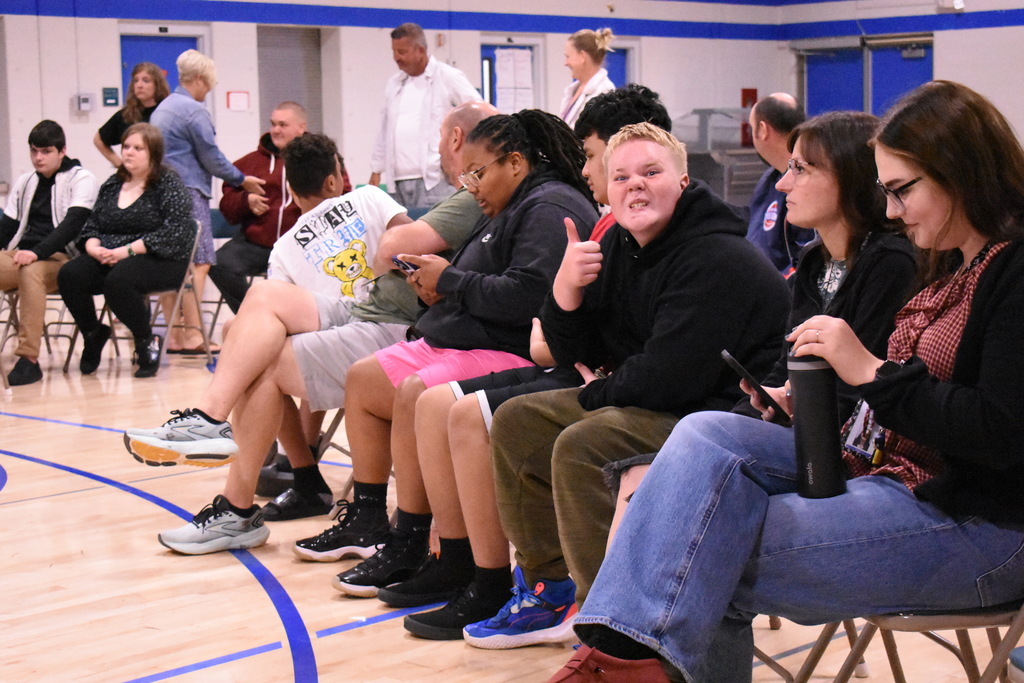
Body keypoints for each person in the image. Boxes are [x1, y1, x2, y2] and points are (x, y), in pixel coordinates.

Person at [545, 80, 1024, 683]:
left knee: (698, 549)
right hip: (885, 470)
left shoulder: (1004, 268)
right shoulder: (944, 257)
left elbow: (1000, 433)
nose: (894, 210)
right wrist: (806, 399)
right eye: (886, 192)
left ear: (961, 175)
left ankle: (616, 656)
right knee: (706, 435)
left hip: (982, 523)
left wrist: (870, 373)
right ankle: (618, 650)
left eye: (902, 191)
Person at [122, 103, 496, 553]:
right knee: (256, 318)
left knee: (253, 350)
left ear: (293, 193)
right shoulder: (371, 199)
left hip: (390, 323)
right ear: (336, 178)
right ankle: (214, 430)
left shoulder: (300, 238)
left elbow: (403, 248)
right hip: (355, 316)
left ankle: (239, 480)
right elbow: (397, 248)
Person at [484, 123, 790, 651]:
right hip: (660, 403)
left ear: (685, 180)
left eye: (651, 172)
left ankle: (614, 629)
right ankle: (549, 589)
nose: (634, 186)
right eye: (620, 176)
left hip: (721, 421)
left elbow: (665, 378)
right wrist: (565, 291)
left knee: (584, 443)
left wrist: (595, 391)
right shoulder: (621, 246)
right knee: (518, 421)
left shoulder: (716, 258)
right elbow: (571, 350)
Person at [388, 84, 674, 642]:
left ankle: (531, 587)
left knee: (463, 410)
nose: (590, 172)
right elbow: (564, 327)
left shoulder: (560, 209)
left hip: (602, 380)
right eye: (593, 159)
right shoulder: (601, 225)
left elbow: (551, 321)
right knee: (421, 397)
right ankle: (452, 557)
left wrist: (453, 283)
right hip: (573, 365)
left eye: (593, 155)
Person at [318, 109, 598, 600]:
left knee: (417, 393)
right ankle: (373, 522)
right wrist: (440, 286)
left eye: (477, 173)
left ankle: (442, 551)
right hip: (457, 338)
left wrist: (450, 281)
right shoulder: (510, 206)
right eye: (465, 175)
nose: (470, 185)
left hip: (507, 351)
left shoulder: (549, 206)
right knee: (364, 380)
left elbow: (529, 295)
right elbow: (483, 283)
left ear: (515, 162)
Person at [604, 111, 918, 546]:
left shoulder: (890, 264)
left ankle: (632, 611)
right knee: (646, 471)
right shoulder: (814, 260)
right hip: (801, 430)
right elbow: (785, 366)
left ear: (849, 176)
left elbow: (863, 396)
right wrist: (772, 398)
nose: (783, 183)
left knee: (672, 465)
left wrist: (786, 401)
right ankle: (609, 611)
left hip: (852, 452)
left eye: (800, 169)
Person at [57, 123, 194, 379]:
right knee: (70, 274)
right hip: (111, 255)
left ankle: (145, 341)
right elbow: (92, 224)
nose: (129, 153)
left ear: (153, 153)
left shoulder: (168, 183)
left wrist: (125, 251)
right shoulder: (112, 184)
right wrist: (93, 247)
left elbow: (177, 232)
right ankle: (93, 333)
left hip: (161, 258)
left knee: (119, 280)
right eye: (126, 147)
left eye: (137, 148)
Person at [151, 49, 265, 353]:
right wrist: (242, 179)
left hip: (161, 193)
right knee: (198, 262)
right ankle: (192, 334)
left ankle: (174, 335)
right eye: (209, 83)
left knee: (169, 264)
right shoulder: (193, 111)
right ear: (200, 79)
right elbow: (211, 157)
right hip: (189, 194)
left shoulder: (161, 109)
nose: (209, 90)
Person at [208, 102, 354, 318]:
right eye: (273, 124)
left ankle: (295, 321)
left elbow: (343, 195)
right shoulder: (249, 163)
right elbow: (227, 208)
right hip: (257, 244)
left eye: (283, 125)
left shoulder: (322, 158)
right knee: (218, 264)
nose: (275, 130)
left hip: (303, 242)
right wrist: (245, 201)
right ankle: (254, 318)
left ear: (301, 127)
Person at [0, 120, 98, 386]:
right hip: (21, 254)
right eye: (34, 151)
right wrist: (26, 252)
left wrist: (37, 252)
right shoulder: (26, 181)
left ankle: (28, 359)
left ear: (62, 150)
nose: (38, 158)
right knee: (25, 266)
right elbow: (7, 227)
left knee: (31, 272)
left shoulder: (82, 179)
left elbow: (71, 227)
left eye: (45, 151)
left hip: (62, 259)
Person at [368, 22, 480, 210]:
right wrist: (376, 170)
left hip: (435, 180)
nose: (396, 58)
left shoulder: (448, 77)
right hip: (397, 183)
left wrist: (464, 160)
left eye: (402, 52)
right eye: (394, 51)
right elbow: (384, 130)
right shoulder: (393, 85)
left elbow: (479, 115)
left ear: (420, 50)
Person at [745, 93, 815, 274]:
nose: (784, 185)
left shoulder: (808, 186)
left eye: (750, 129)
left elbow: (807, 262)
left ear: (762, 129)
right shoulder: (768, 179)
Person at [94, 62, 171, 168]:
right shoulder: (126, 115)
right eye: (136, 81)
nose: (139, 85)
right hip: (135, 176)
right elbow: (99, 140)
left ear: (157, 85)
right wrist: (120, 164)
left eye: (146, 80)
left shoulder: (169, 111)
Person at [559, 28, 616, 128]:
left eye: (568, 56)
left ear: (582, 56)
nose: (565, 63)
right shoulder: (572, 91)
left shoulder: (604, 91)